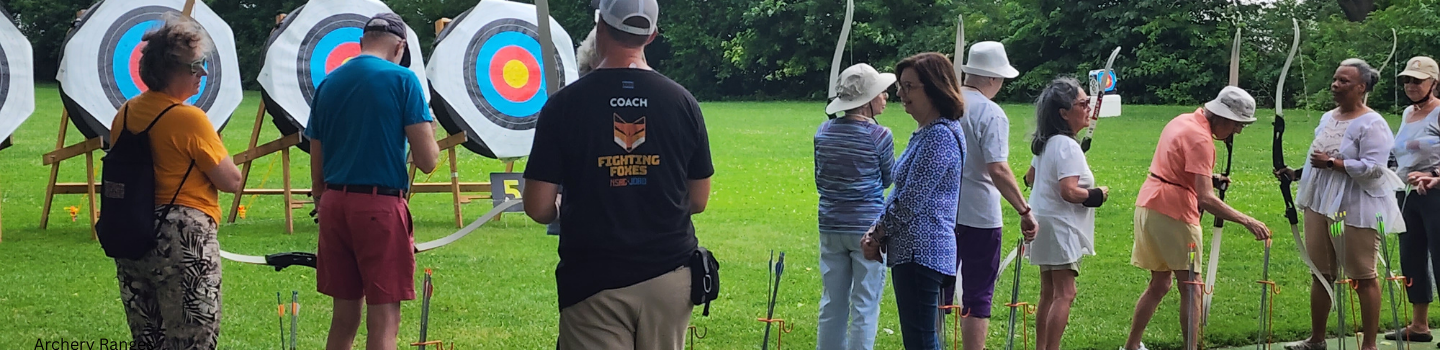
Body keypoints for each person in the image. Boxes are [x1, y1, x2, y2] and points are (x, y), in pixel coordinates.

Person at [521, 0, 715, 348]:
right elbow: (698, 200)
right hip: (669, 275)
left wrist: (564, 205)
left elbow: (538, 207)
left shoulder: (564, 105)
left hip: (593, 278)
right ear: (651, 35)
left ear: (600, 27)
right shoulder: (682, 102)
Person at [305, 13, 440, 350]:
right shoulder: (403, 79)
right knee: (384, 319)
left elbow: (316, 157)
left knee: (343, 317)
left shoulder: (328, 83)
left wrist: (322, 199)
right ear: (400, 47)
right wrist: (429, 129)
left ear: (361, 43)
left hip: (333, 204)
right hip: (379, 206)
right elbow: (427, 161)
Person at [110, 13, 243, 350]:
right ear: (170, 70)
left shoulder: (125, 112)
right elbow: (231, 180)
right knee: (192, 339)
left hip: (132, 232)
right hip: (182, 240)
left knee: (148, 339)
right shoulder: (189, 118)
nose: (203, 73)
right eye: (195, 66)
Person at [1122, 86, 1272, 350]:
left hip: (1149, 205)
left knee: (1160, 283)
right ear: (1223, 117)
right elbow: (1206, 199)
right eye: (1238, 125)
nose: (1238, 131)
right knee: (1192, 287)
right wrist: (1247, 221)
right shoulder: (1202, 140)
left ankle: (1132, 345)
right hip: (1175, 213)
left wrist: (1208, 177)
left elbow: (1177, 165)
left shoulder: (1182, 121)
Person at [1278, 58, 1406, 350]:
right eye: (1335, 79)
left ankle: (1368, 345)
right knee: (1321, 273)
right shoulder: (1328, 118)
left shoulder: (1372, 123)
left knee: (1362, 276)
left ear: (1361, 87)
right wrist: (1295, 173)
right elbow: (1319, 158)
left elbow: (1376, 168)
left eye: (1344, 81)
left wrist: (1333, 164)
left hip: (1354, 206)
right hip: (1320, 202)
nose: (1335, 85)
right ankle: (1317, 339)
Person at [861, 51, 966, 350]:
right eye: (900, 86)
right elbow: (901, 192)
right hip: (914, 252)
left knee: (921, 342)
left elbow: (910, 199)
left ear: (934, 89)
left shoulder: (939, 136)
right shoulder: (927, 132)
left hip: (922, 252)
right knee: (921, 340)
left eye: (909, 87)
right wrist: (876, 229)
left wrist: (877, 234)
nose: (900, 94)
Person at [942, 41, 1038, 350]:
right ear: (993, 78)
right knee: (978, 291)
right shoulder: (991, 113)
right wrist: (1024, 210)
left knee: (941, 288)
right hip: (980, 214)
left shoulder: (947, 105)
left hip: (944, 209)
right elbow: (997, 168)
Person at [815, 63, 896, 350]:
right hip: (868, 229)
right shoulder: (880, 136)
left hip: (831, 225)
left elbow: (820, 178)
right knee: (865, 304)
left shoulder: (823, 132)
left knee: (832, 302)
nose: (885, 96)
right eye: (880, 92)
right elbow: (889, 178)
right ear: (866, 100)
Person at [1026, 77, 1105, 350]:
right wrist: (1097, 194)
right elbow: (1069, 191)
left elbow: (1029, 178)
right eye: (1082, 104)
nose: (1088, 108)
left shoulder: (1047, 142)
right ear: (1063, 113)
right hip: (1060, 224)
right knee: (1065, 293)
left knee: (1049, 292)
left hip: (1042, 220)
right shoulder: (1066, 145)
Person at [1383, 56, 1440, 343]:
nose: (1410, 85)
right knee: (1411, 258)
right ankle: (1419, 325)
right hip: (1407, 194)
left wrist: (1435, 175)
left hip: (1435, 194)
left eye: (1417, 80)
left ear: (1434, 82)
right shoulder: (1407, 113)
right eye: (1406, 80)